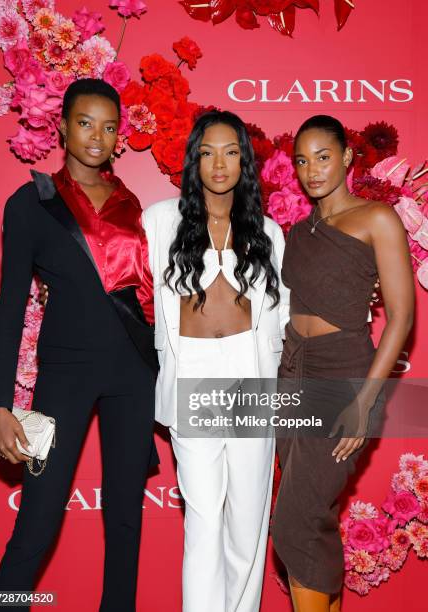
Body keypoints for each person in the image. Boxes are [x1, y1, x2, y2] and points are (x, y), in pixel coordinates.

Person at [0, 78, 157, 612]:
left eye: (109, 127)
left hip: (133, 375)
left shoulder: (134, 205)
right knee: (38, 518)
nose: (97, 136)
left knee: (126, 519)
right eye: (85, 123)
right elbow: (11, 307)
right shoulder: (32, 202)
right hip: (64, 375)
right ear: (61, 126)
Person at [142, 110, 290, 612]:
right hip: (194, 373)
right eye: (207, 152)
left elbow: (286, 312)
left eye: (230, 152)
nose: (219, 163)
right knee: (204, 516)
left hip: (250, 374)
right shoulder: (162, 219)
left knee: (248, 519)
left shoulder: (268, 230)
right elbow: (128, 286)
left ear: (243, 161)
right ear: (194, 160)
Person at [270, 115, 414, 611]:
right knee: (314, 519)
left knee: (296, 520)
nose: (312, 170)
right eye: (303, 161)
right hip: (292, 374)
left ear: (349, 157)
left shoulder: (377, 219)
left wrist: (364, 401)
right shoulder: (297, 232)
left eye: (324, 156)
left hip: (344, 377)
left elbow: (400, 317)